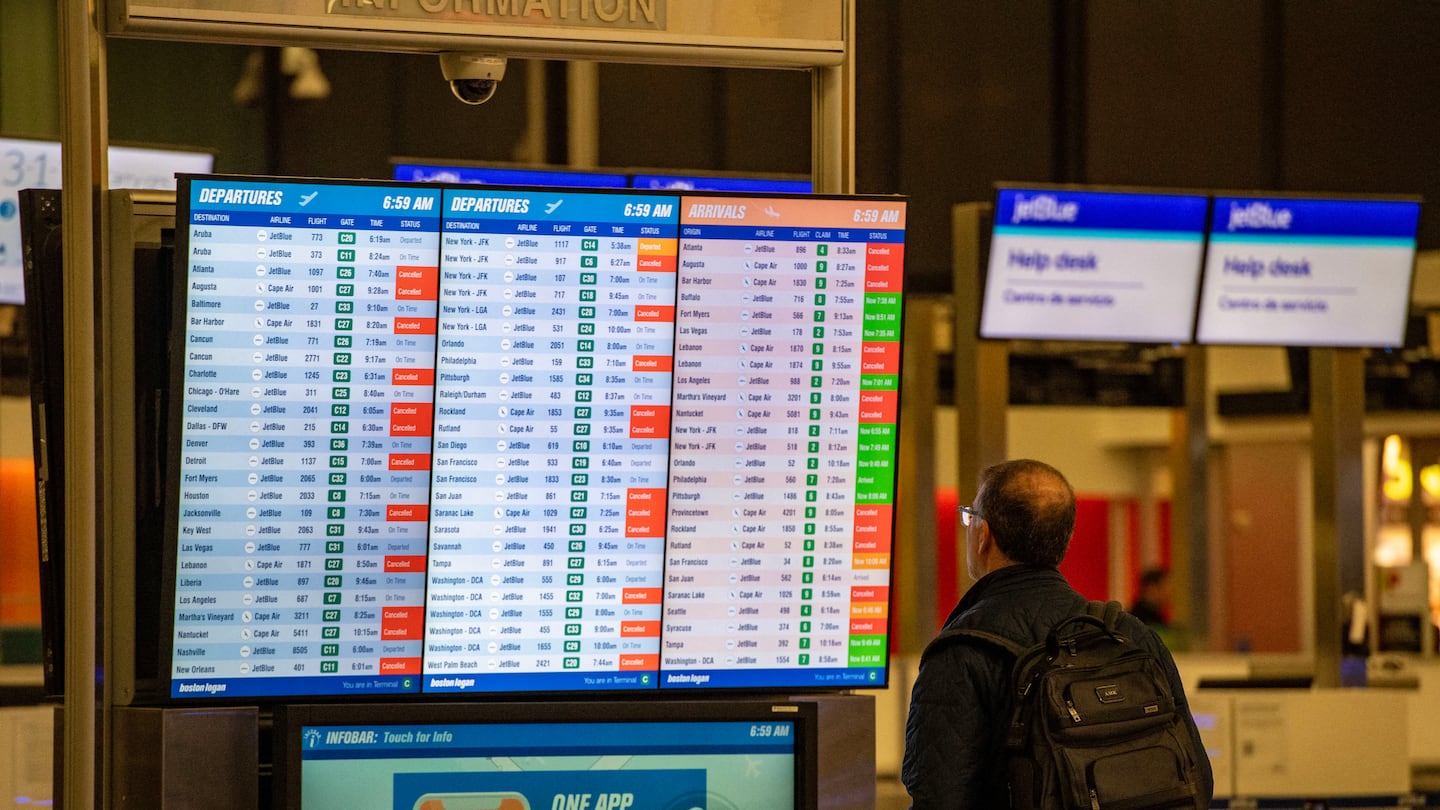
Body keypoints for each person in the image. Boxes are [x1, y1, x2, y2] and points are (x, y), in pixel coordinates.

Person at [902, 459, 1213, 808]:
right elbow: (1198, 774)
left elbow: (937, 797)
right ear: (1063, 538)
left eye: (970, 517)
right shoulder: (1131, 635)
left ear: (983, 535)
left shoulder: (962, 652)